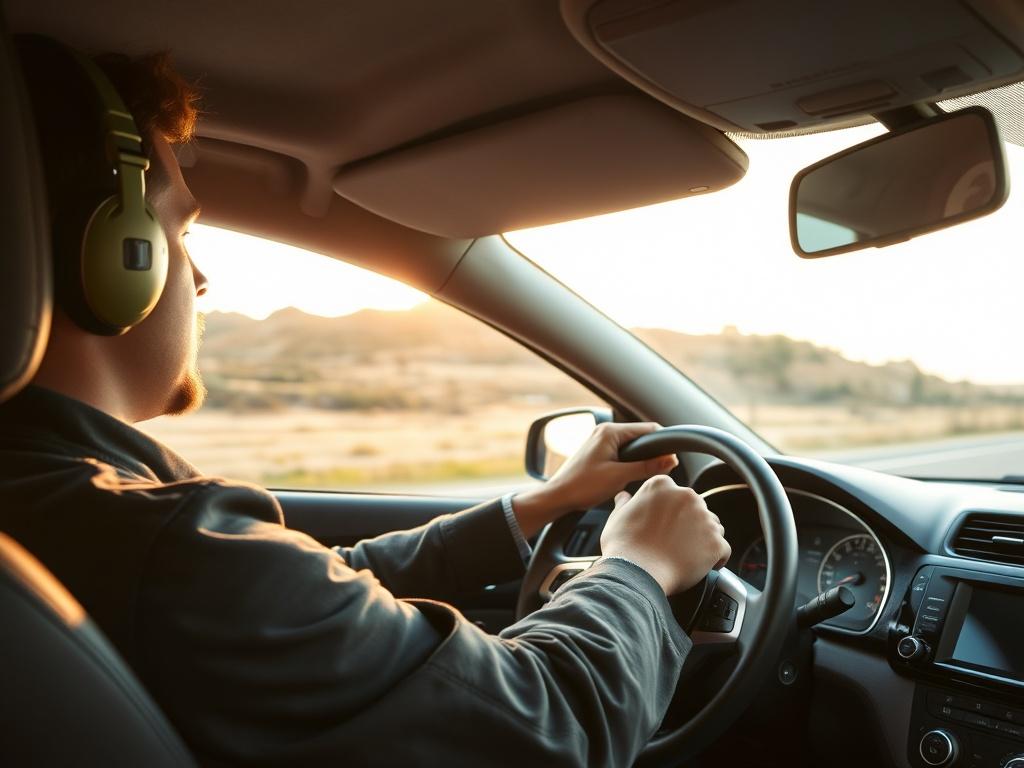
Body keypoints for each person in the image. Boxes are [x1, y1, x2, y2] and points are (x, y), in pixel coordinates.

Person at [0, 37, 731, 767]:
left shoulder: (71, 510)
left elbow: (312, 591)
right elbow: (547, 727)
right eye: (180, 230)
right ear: (113, 253)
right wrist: (639, 569)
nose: (198, 278)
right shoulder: (160, 550)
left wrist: (534, 509)